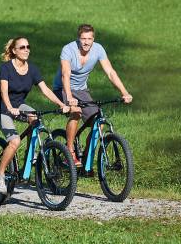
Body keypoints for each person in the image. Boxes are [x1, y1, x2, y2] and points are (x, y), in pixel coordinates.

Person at [0, 36, 70, 194]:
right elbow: (3, 91)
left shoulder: (32, 69)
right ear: (14, 51)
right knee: (14, 140)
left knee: (36, 120)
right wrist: (10, 108)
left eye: (28, 47)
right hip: (1, 108)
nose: (26, 50)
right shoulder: (5, 68)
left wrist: (61, 104)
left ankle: (29, 157)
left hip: (18, 105)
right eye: (22, 47)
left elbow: (45, 89)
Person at [52, 24, 133, 166]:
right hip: (62, 89)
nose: (86, 42)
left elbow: (110, 72)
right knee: (76, 113)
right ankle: (69, 153)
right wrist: (70, 98)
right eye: (83, 38)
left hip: (81, 90)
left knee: (99, 122)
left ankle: (87, 159)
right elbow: (66, 74)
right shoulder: (68, 49)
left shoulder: (98, 49)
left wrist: (124, 92)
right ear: (78, 38)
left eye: (89, 39)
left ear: (93, 39)